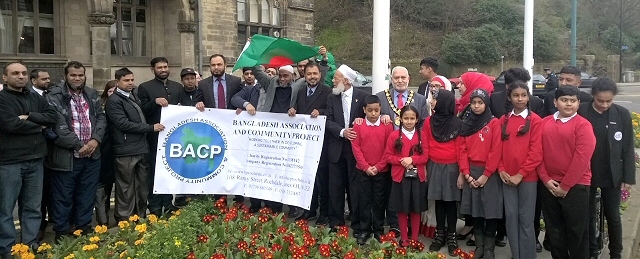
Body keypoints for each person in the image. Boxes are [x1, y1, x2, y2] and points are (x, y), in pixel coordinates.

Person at [0, 62, 57, 257]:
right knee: (5, 209)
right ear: (5, 78)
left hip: (36, 159)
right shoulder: (2, 100)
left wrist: (29, 116)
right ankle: (6, 248)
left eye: (23, 73)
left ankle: (30, 243)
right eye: (15, 73)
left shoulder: (35, 97)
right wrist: (38, 125)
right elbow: (10, 125)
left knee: (32, 207)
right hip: (9, 162)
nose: (21, 76)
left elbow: (52, 117)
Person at [45, 61, 106, 241]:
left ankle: (82, 227)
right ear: (66, 76)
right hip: (67, 157)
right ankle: (62, 232)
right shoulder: (54, 96)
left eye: (80, 75)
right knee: (63, 197)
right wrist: (80, 146)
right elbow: (58, 127)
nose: (77, 78)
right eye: (73, 75)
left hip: (92, 155)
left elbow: (101, 119)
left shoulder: (92, 93)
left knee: (86, 194)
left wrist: (95, 140)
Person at [488, 67, 545, 250]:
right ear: (509, 97)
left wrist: (520, 174)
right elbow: (498, 149)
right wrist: (502, 169)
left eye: (523, 95)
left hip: (527, 178)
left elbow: (536, 152)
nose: (519, 99)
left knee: (525, 219)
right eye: (515, 95)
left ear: (528, 97)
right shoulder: (502, 121)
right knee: (511, 218)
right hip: (506, 177)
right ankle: (516, 253)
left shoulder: (535, 121)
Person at [578, 78, 635, 259]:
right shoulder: (582, 111)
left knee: (613, 216)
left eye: (608, 101)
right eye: (600, 101)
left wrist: (628, 177)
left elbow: (627, 147)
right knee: (587, 215)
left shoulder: (622, 114)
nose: (604, 105)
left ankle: (616, 252)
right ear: (593, 96)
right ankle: (591, 250)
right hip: (587, 172)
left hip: (612, 174)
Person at [539, 86, 596, 259]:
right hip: (549, 185)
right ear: (555, 102)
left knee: (576, 232)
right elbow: (537, 153)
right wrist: (545, 179)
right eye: (564, 100)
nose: (568, 104)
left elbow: (582, 158)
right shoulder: (544, 123)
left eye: (573, 101)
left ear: (579, 103)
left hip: (576, 186)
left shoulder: (583, 126)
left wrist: (565, 186)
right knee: (555, 231)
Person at [105, 67, 165, 221]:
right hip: (125, 150)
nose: (130, 83)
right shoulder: (114, 101)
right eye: (126, 80)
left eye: (132, 80)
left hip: (140, 148)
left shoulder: (133, 96)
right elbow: (124, 124)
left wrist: (154, 102)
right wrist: (151, 128)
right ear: (117, 82)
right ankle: (124, 221)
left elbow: (142, 114)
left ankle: (140, 217)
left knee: (142, 187)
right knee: (126, 188)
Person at [137, 57, 184, 217]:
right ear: (153, 69)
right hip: (154, 138)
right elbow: (142, 111)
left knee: (170, 171)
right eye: (159, 67)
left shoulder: (177, 87)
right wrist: (154, 102)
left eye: (165, 66)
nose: (163, 70)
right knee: (154, 173)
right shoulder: (144, 88)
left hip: (174, 138)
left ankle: (168, 204)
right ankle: (155, 206)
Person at [458, 89, 502, 259]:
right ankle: (480, 246)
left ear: (486, 103)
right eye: (474, 103)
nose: (476, 106)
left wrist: (486, 174)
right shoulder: (466, 123)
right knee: (475, 211)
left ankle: (490, 249)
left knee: (490, 211)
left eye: (480, 102)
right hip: (471, 173)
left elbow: (496, 150)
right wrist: (467, 174)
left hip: (489, 173)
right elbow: (461, 150)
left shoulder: (493, 123)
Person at [324, 64, 367, 234]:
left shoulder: (363, 97)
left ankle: (357, 224)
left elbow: (368, 118)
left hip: (356, 152)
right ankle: (336, 222)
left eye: (336, 77)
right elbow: (327, 120)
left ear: (347, 81)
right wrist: (342, 131)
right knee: (335, 188)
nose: (333, 80)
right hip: (336, 149)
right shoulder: (331, 98)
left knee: (355, 189)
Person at [290, 62, 332, 223]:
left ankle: (325, 213)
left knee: (323, 180)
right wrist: (292, 110)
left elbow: (332, 112)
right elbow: (299, 111)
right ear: (304, 75)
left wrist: (320, 112)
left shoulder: (328, 92)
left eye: (315, 73)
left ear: (320, 75)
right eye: (309, 74)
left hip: (322, 145)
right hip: (305, 144)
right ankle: (310, 210)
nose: (312, 77)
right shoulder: (300, 92)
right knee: (308, 179)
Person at [423, 89, 464, 255]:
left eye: (434, 99)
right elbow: (425, 146)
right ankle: (439, 235)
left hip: (452, 167)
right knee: (439, 202)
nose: (431, 102)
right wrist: (424, 167)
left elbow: (461, 149)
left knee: (451, 202)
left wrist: (461, 173)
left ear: (444, 102)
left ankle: (451, 236)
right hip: (434, 165)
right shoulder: (428, 122)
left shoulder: (458, 124)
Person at [351, 95, 394, 244]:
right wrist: (366, 167)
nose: (373, 114)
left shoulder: (387, 126)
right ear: (364, 110)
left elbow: (389, 148)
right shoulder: (358, 125)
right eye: (370, 110)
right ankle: (364, 230)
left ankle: (378, 229)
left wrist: (379, 166)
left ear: (380, 109)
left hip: (381, 170)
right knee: (364, 200)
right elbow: (356, 148)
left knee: (379, 201)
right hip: (363, 170)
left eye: (376, 110)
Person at [385, 105, 429, 247]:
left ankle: (415, 238)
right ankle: (404, 238)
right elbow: (388, 156)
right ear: (400, 119)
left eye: (412, 118)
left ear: (417, 120)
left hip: (417, 177)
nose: (409, 121)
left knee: (415, 209)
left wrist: (413, 160)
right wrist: (402, 161)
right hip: (400, 177)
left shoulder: (422, 135)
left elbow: (426, 156)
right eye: (406, 118)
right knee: (402, 209)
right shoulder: (394, 135)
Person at [29, 68, 53, 241]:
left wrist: (33, 119)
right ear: (33, 80)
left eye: (48, 78)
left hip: (54, 150)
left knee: (53, 190)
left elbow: (52, 117)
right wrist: (39, 124)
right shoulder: (30, 97)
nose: (47, 81)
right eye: (44, 79)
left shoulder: (50, 95)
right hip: (34, 150)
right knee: (38, 195)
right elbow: (14, 122)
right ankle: (38, 228)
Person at [94, 80, 117, 226]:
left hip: (119, 151)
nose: (113, 94)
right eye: (110, 91)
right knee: (102, 186)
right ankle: (103, 221)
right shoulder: (100, 109)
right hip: (103, 151)